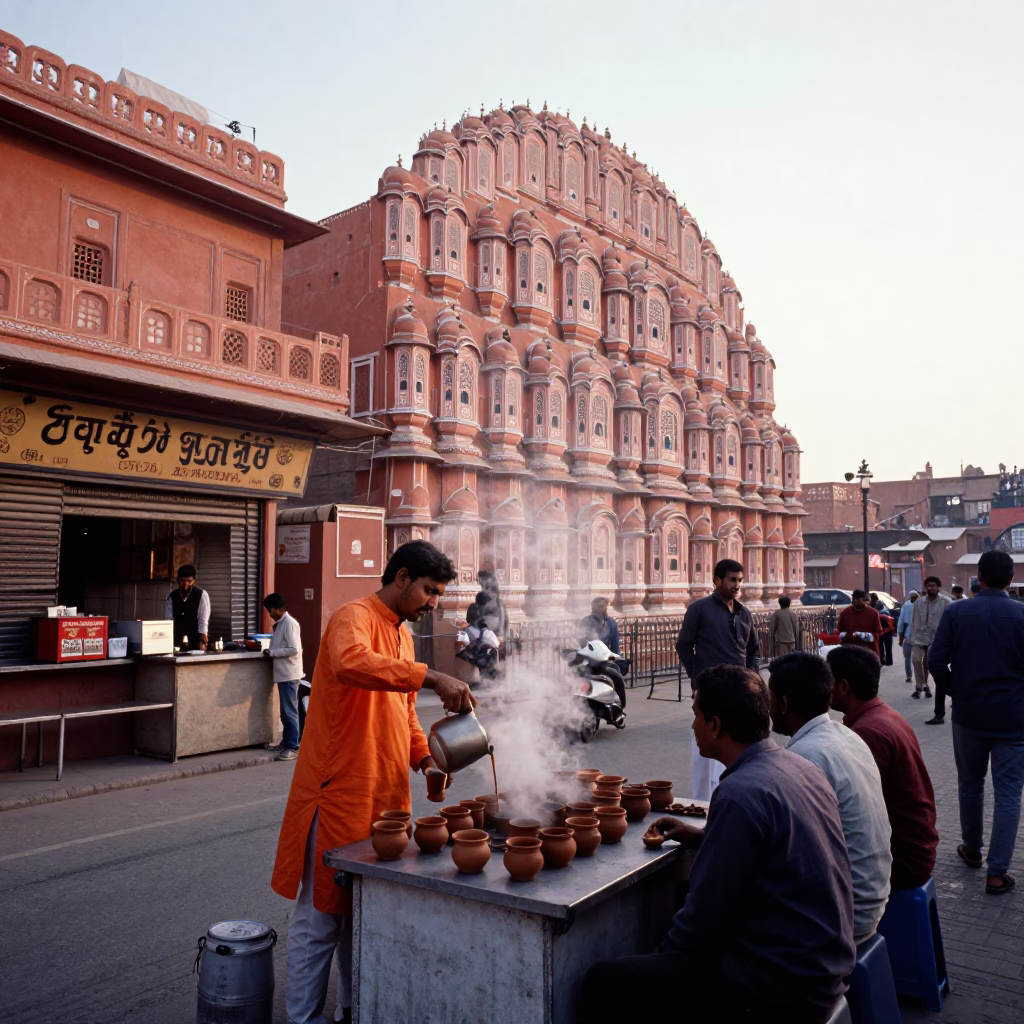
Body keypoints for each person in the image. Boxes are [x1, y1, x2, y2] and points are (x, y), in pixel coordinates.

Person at [271, 540, 476, 1024]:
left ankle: (351, 1009)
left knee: (360, 917)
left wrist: (426, 760)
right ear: (401, 577)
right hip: (338, 791)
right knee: (320, 917)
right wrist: (431, 677)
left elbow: (402, 714)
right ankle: (303, 1019)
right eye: (429, 591)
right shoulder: (352, 617)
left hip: (385, 797)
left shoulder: (403, 639)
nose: (433, 603)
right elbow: (350, 663)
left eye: (439, 595)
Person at [580, 665, 855, 1023]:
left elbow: (702, 918)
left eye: (696, 715)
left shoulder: (739, 794)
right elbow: (774, 846)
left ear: (715, 725)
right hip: (823, 965)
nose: (693, 725)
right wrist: (703, 835)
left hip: (783, 986)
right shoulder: (798, 766)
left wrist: (663, 964)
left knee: (603, 981)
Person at [768, 652, 892, 943]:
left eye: (771, 698)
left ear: (784, 704)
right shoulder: (845, 734)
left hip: (847, 914)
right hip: (871, 898)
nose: (768, 707)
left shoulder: (803, 758)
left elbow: (791, 853)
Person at [929, 550, 1024, 895]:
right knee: (1009, 793)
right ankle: (997, 873)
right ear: (1010, 579)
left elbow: (935, 662)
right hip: (1013, 719)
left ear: (978, 578)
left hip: (968, 716)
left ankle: (972, 850)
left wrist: (958, 691)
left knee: (970, 784)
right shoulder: (1021, 614)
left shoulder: (957, 612)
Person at [827, 645, 939, 890]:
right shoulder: (881, 715)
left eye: (828, 680)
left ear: (844, 687)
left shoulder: (868, 732)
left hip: (904, 859)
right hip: (914, 847)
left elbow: (856, 813)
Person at [675, 558, 760, 800]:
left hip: (740, 692)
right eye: (732, 580)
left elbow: (753, 649)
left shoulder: (744, 613)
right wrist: (697, 678)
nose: (737, 585)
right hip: (709, 690)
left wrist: (751, 676)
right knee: (705, 751)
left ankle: (727, 801)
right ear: (717, 581)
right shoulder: (699, 610)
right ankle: (703, 806)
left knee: (733, 749)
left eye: (740, 580)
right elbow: (684, 646)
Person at [263, 593, 303, 761]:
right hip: (284, 674)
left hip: (289, 674)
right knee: (284, 711)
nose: (269, 614)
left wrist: (272, 652)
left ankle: (292, 747)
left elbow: (293, 648)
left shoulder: (289, 624)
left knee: (289, 711)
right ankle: (286, 742)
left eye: (269, 610)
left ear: (276, 609)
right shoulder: (281, 624)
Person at [911, 576, 950, 707]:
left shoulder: (946, 602)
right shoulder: (918, 602)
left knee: (928, 664)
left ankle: (923, 686)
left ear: (938, 587)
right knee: (916, 660)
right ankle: (921, 684)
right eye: (928, 586)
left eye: (933, 585)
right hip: (919, 637)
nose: (930, 588)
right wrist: (912, 637)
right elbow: (915, 620)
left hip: (936, 638)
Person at [163, 563, 210, 652]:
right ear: (178, 580)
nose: (185, 584)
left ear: (194, 581)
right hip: (176, 640)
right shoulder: (172, 597)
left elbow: (203, 620)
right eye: (182, 581)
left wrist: (203, 639)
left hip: (195, 639)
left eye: (189, 581)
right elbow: (168, 621)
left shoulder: (201, 595)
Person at [836, 589, 881, 658]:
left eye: (859, 599)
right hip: (850, 649)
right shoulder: (845, 613)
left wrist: (865, 635)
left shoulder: (873, 613)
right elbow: (840, 631)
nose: (857, 601)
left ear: (864, 600)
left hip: (867, 649)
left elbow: (877, 632)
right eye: (855, 599)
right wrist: (845, 635)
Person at [474, 569, 508, 644]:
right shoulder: (482, 596)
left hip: (490, 626)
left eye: (480, 580)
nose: (479, 582)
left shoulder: (489, 597)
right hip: (489, 627)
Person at [897, 591, 920, 682]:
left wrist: (900, 636)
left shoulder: (906, 605)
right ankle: (919, 676)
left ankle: (909, 675)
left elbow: (901, 622)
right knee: (918, 658)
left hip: (908, 636)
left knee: (907, 657)